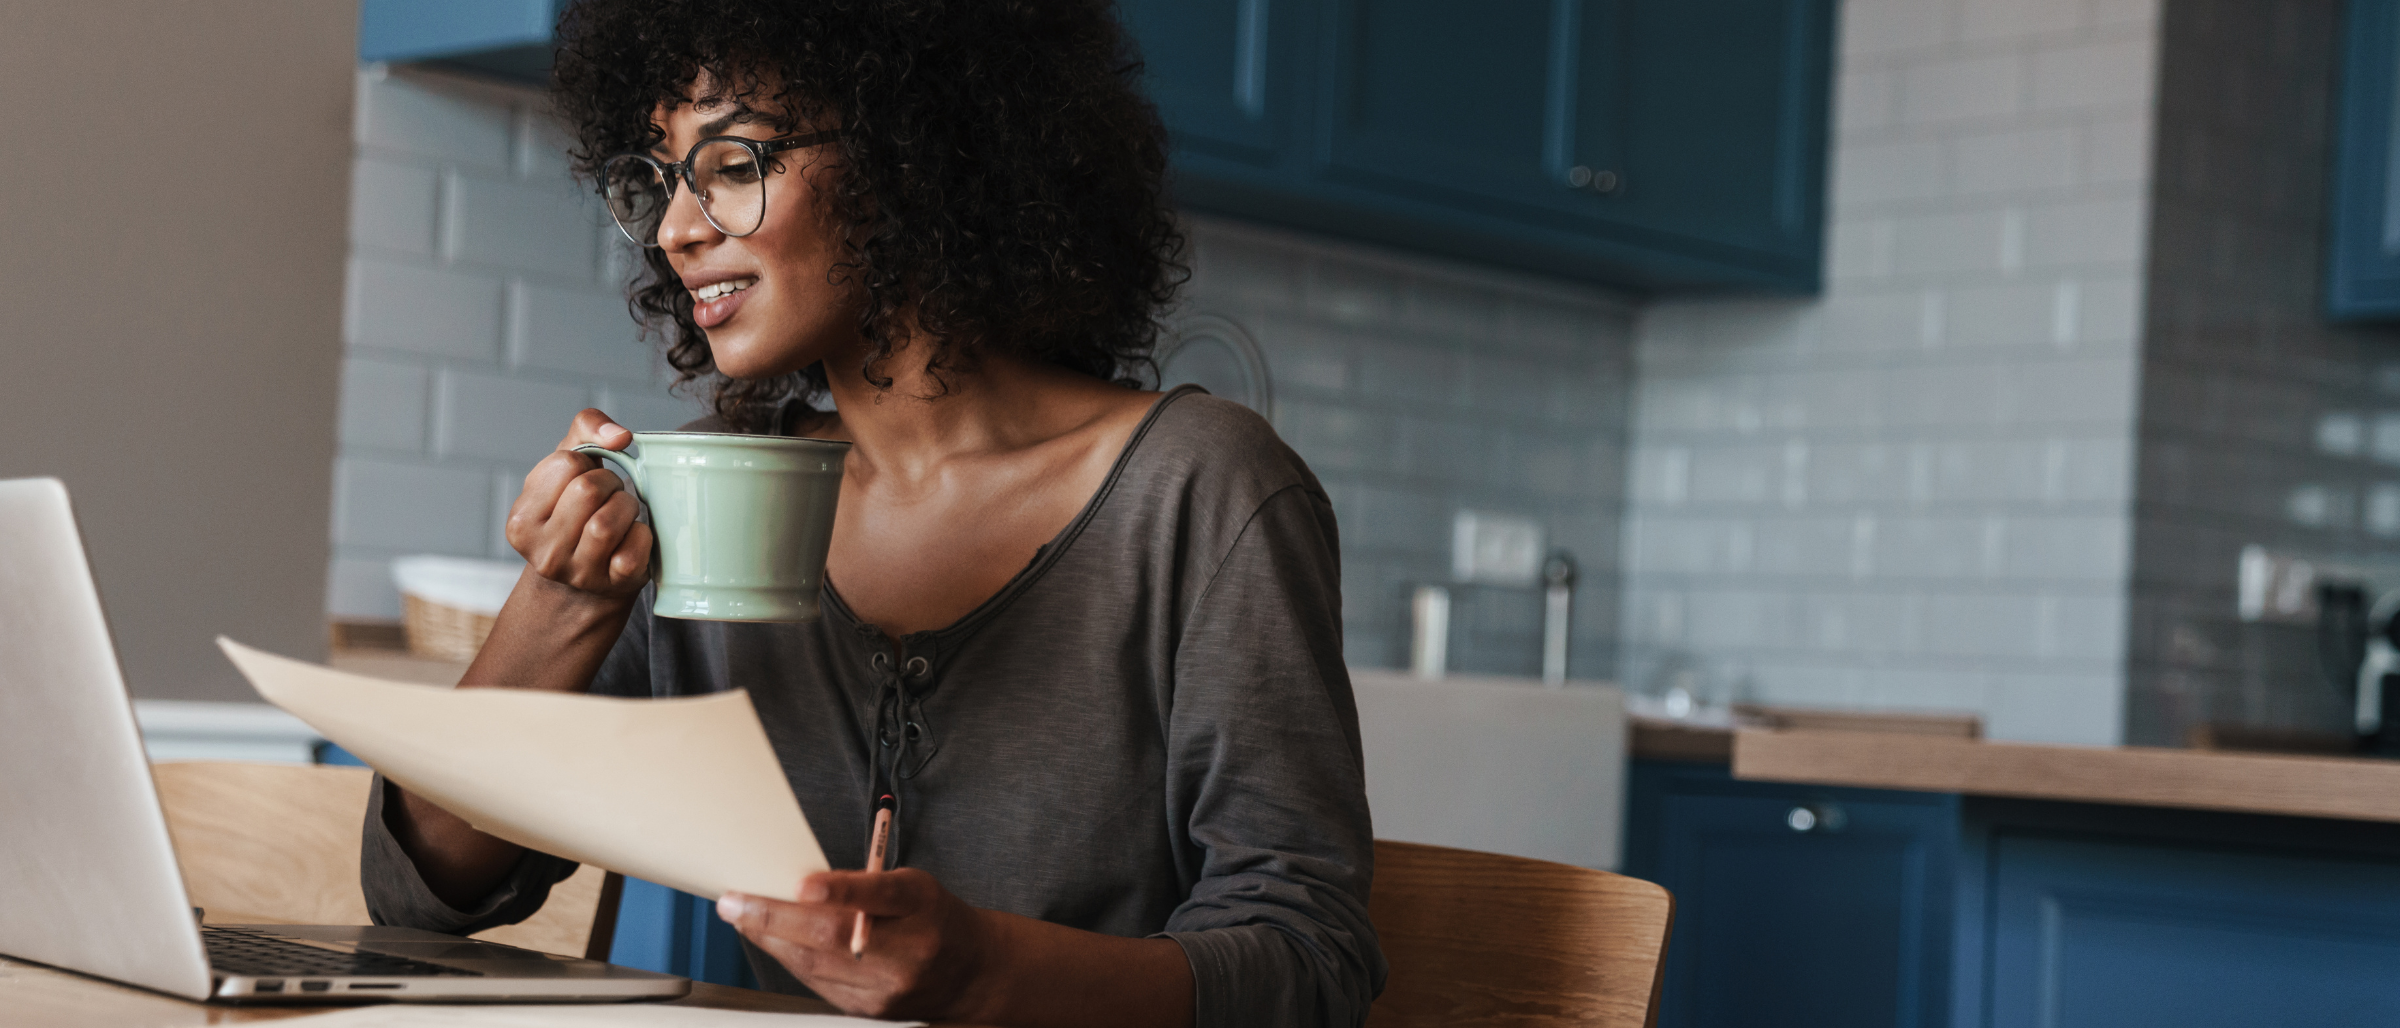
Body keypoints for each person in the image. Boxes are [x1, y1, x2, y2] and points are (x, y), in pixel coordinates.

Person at [356, 2, 1385, 1026]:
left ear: (915, 152)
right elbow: (423, 888)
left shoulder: (1201, 491)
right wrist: (564, 600)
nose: (674, 230)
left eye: (733, 164)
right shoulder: (704, 489)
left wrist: (989, 975)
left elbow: (1310, 959)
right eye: (664, 179)